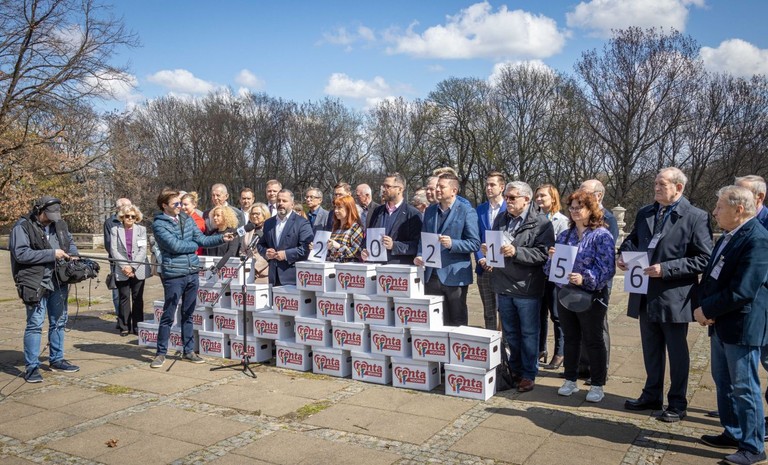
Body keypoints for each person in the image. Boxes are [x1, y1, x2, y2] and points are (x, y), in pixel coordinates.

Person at [618, 167, 712, 422]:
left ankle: (677, 403)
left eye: (662, 184)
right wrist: (624, 256)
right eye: (655, 184)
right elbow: (632, 240)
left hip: (673, 296)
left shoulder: (695, 217)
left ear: (678, 188)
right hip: (644, 292)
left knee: (676, 352)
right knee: (651, 348)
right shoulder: (645, 212)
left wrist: (667, 269)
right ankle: (651, 395)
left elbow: (704, 259)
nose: (656, 188)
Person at [695, 186, 768, 465]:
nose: (714, 212)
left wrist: (707, 309)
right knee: (723, 381)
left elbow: (743, 290)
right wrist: (705, 307)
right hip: (721, 322)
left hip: (742, 326)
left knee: (744, 387)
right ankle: (733, 431)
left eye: (719, 207)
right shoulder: (730, 235)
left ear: (739, 209)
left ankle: (753, 446)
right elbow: (713, 277)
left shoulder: (757, 239)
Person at [546, 189, 615, 403]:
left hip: (591, 296)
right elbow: (550, 269)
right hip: (565, 293)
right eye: (572, 207)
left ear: (591, 209)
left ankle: (597, 384)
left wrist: (584, 278)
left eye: (580, 207)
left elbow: (607, 268)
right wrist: (552, 259)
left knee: (593, 339)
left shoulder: (601, 235)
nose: (575, 211)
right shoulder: (565, 235)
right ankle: (570, 380)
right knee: (571, 338)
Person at [151, 190, 234, 369]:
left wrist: (221, 238)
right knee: (168, 314)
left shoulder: (187, 219)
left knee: (188, 313)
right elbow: (174, 246)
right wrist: (194, 245)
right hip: (174, 274)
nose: (179, 207)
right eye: (175, 204)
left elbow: (201, 239)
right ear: (164, 206)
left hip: (192, 272)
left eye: (180, 203)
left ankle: (188, 350)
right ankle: (160, 352)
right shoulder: (159, 224)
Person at [484, 181, 554, 393]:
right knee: (511, 333)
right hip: (503, 284)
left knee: (529, 333)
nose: (508, 201)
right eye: (507, 197)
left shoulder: (541, 223)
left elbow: (543, 254)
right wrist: (489, 252)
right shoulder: (501, 218)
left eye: (512, 197)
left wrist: (517, 252)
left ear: (527, 199)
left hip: (527, 287)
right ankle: (514, 369)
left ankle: (528, 374)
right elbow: (496, 242)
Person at [10, 196, 81, 383]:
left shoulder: (60, 225)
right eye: (49, 215)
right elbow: (21, 254)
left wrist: (73, 255)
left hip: (58, 280)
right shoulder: (22, 227)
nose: (52, 219)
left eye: (55, 216)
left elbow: (70, 243)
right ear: (38, 211)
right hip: (35, 282)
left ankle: (57, 359)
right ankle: (32, 367)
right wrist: (51, 254)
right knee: (35, 324)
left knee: (59, 321)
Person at [414, 173, 480, 326]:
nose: (437, 189)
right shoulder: (430, 211)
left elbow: (475, 243)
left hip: (454, 276)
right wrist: (420, 254)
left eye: (441, 187)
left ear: (454, 191)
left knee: (457, 320)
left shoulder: (466, 211)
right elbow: (423, 238)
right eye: (437, 186)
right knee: (436, 320)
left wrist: (453, 244)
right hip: (432, 275)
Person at [577, 178, 617, 379]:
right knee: (582, 324)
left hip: (598, 281)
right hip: (578, 281)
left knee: (599, 326)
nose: (581, 195)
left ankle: (601, 369)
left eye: (585, 192)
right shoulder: (579, 218)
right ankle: (584, 365)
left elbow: (607, 253)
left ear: (598, 195)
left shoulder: (608, 218)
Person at [535, 184, 569, 370]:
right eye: (537, 196)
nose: (539, 199)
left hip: (555, 274)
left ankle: (560, 352)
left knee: (557, 315)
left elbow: (565, 248)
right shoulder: (535, 219)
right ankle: (541, 349)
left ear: (553, 198)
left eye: (543, 196)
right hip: (537, 272)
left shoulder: (562, 221)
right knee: (539, 313)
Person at [363, 172, 423, 264]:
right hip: (376, 266)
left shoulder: (412, 214)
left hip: (398, 268)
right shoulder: (377, 211)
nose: (384, 190)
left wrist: (394, 246)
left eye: (388, 186)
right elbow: (369, 237)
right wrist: (364, 250)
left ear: (400, 189)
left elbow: (416, 245)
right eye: (383, 186)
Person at [258, 189, 313, 286]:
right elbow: (260, 244)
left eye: (284, 201)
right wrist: (266, 252)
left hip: (293, 278)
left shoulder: (302, 223)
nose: (280, 203)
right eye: (278, 200)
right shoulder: (268, 223)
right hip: (273, 277)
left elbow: (306, 248)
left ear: (292, 204)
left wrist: (286, 254)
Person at [110, 204, 151, 336]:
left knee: (137, 298)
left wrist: (132, 266)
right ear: (122, 217)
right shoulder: (115, 230)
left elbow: (143, 250)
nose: (130, 219)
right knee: (124, 298)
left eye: (133, 216)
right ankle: (124, 326)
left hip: (138, 268)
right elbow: (113, 250)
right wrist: (125, 266)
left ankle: (138, 326)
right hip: (121, 269)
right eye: (127, 216)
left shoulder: (141, 230)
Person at [475, 172, 506, 330]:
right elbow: (475, 237)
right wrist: (481, 258)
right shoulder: (479, 210)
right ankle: (491, 339)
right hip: (484, 267)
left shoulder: (509, 209)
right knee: (489, 311)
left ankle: (505, 342)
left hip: (504, 268)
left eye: (492, 184)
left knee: (505, 311)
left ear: (502, 187)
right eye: (487, 184)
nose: (488, 188)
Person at [104, 197, 131, 324]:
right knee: (118, 293)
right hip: (117, 262)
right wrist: (122, 261)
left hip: (133, 261)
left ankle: (132, 319)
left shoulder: (133, 219)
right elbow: (109, 244)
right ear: (118, 208)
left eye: (129, 205)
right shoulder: (110, 222)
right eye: (125, 205)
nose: (128, 208)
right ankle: (122, 320)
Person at [327, 195, 364, 263]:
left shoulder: (355, 228)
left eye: (339, 208)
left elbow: (358, 252)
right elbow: (331, 252)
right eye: (335, 207)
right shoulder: (335, 228)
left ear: (349, 209)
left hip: (347, 268)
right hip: (331, 266)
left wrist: (339, 246)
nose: (336, 211)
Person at [244, 203, 270, 284]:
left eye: (257, 214)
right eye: (252, 214)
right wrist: (248, 268)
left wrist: (256, 268)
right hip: (247, 272)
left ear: (264, 214)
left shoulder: (269, 230)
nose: (254, 216)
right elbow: (243, 250)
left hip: (263, 273)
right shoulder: (248, 230)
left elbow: (269, 252)